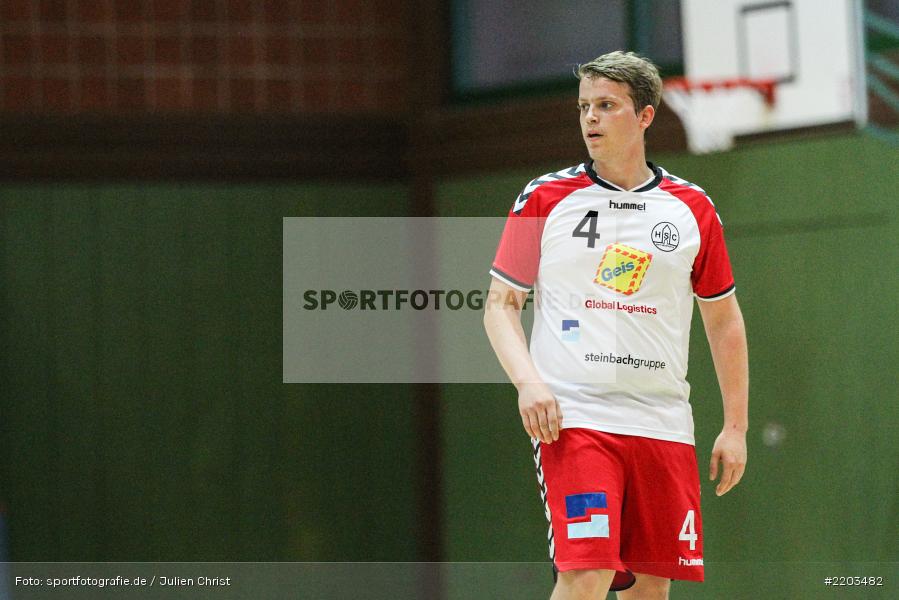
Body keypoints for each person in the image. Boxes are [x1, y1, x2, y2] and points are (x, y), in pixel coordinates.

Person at [483, 51, 748, 600]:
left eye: (606, 105)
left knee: (651, 589)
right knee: (586, 575)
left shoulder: (692, 209)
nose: (590, 118)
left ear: (645, 115)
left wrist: (736, 427)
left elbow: (723, 320)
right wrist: (529, 383)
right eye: (584, 106)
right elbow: (500, 305)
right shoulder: (546, 197)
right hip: (576, 419)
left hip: (663, 423)